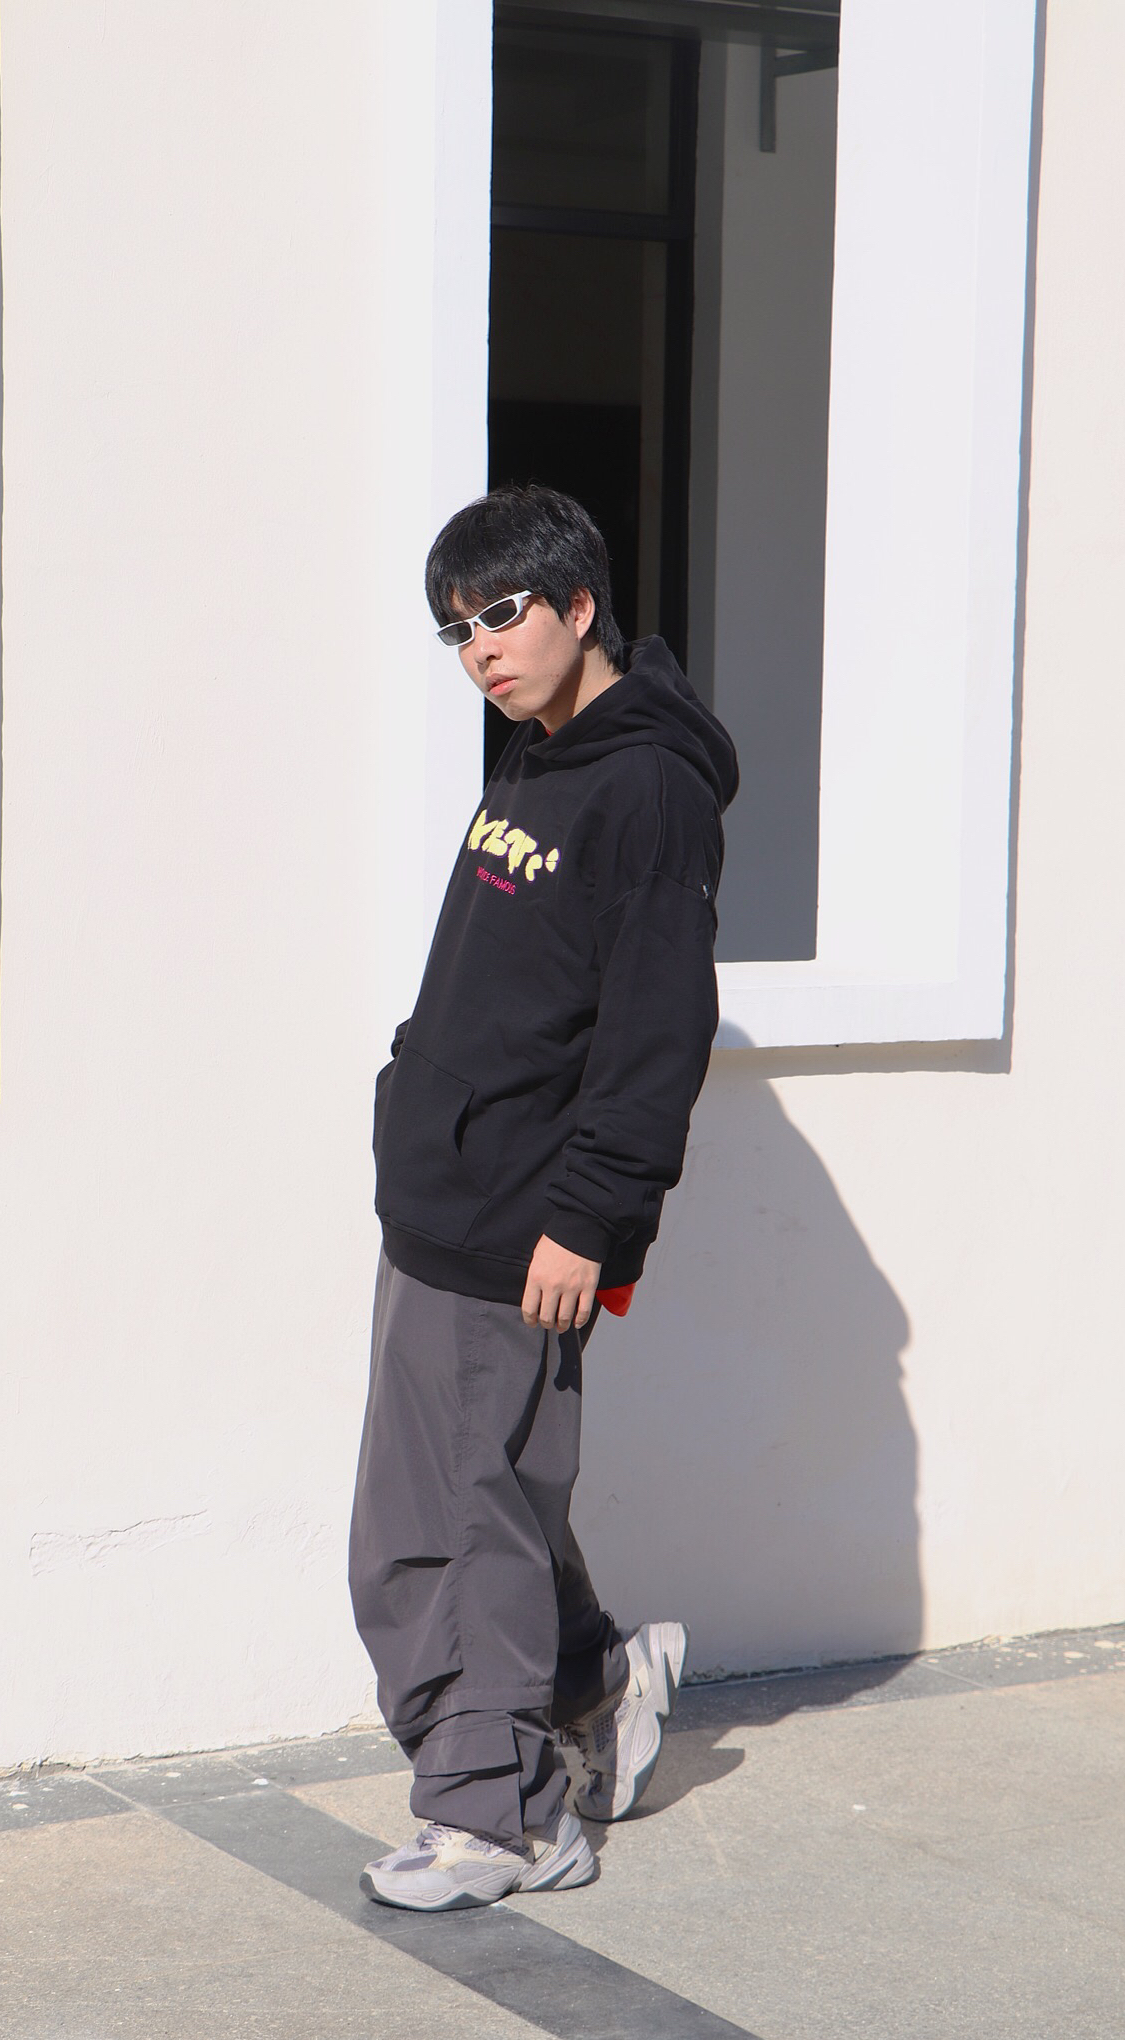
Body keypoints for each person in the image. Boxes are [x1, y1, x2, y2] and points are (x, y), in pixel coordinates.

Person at [349, 483, 738, 1912]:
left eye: (502, 615)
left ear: (581, 604)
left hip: (520, 1227)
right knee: (452, 1516)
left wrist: (586, 1221)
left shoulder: (648, 791)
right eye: (458, 630)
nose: (482, 651)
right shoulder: (537, 752)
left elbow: (655, 1038)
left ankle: (504, 1822)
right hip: (440, 1201)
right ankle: (592, 1685)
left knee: (457, 1536)